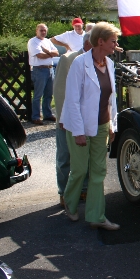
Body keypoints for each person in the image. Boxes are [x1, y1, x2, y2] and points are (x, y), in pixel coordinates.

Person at [61, 22, 121, 230]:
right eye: (113, 41)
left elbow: (111, 99)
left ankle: (96, 215)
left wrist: (112, 125)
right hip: (80, 125)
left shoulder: (110, 64)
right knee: (79, 170)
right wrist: (78, 132)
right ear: (100, 41)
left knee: (98, 171)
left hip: (102, 126)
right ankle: (69, 201)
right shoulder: (79, 64)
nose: (116, 44)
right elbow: (72, 100)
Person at [53, 32, 92, 208]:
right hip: (67, 118)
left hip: (88, 118)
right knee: (65, 157)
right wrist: (62, 118)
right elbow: (60, 90)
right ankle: (63, 192)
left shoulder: (100, 61)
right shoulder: (68, 59)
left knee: (85, 157)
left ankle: (83, 189)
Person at [27, 23, 59, 125]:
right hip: (39, 70)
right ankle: (35, 116)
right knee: (38, 94)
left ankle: (47, 114)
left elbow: (57, 53)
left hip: (50, 69)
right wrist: (50, 53)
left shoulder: (47, 41)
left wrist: (47, 51)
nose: (43, 32)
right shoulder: (33, 41)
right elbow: (40, 55)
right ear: (36, 31)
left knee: (49, 94)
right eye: (41, 30)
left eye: (45, 30)